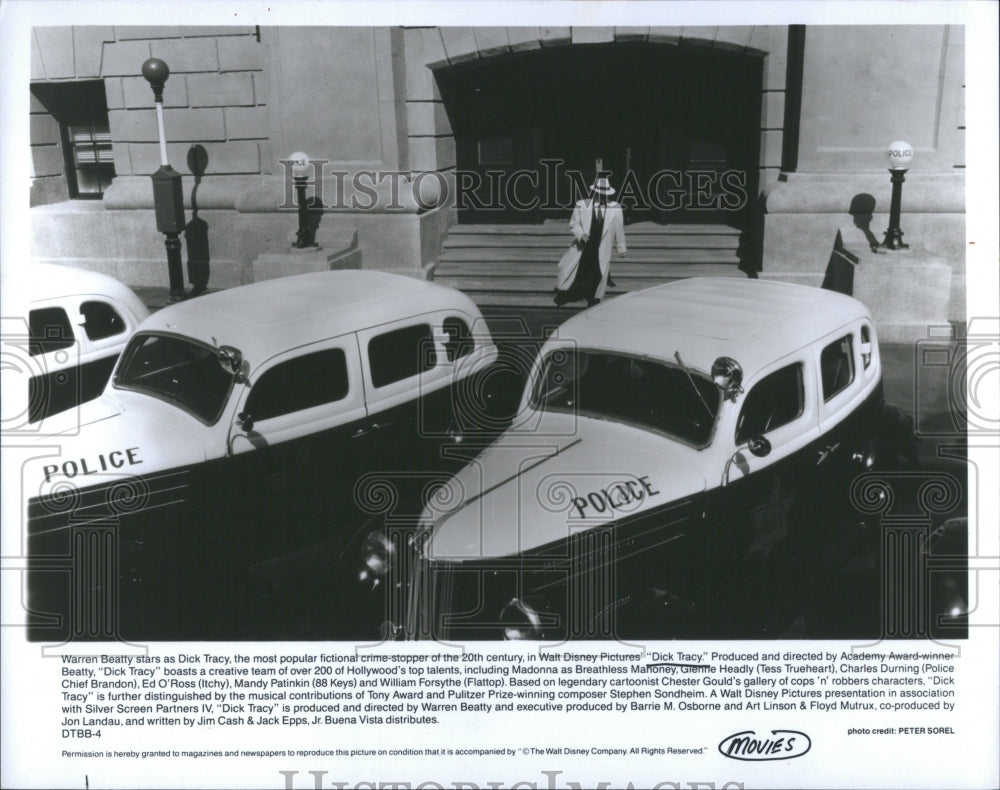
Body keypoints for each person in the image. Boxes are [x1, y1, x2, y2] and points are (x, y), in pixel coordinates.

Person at [554, 177, 627, 306]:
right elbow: (574, 224)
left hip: (602, 245)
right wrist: (581, 235)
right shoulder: (582, 205)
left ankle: (593, 298)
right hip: (584, 245)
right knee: (578, 269)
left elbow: (619, 228)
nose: (602, 196)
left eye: (604, 194)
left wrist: (621, 246)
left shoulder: (616, 208)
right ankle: (568, 293)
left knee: (598, 271)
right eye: (599, 193)